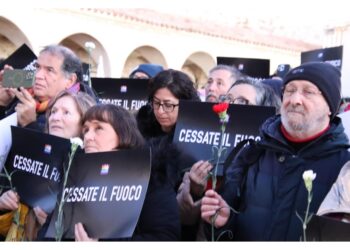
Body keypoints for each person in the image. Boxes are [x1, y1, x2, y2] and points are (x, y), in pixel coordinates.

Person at [200, 62, 350, 241]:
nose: (295, 100)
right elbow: (224, 233)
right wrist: (224, 222)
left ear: (330, 107)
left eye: (308, 92)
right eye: (290, 90)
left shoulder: (345, 170)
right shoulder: (251, 154)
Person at [39, 104, 181, 241]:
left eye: (98, 128)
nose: (88, 137)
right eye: (86, 130)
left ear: (123, 134)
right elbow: (46, 235)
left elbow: (164, 238)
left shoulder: (151, 178)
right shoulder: (75, 178)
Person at [176, 78, 281, 240]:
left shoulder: (270, 161)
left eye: (242, 101)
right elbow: (183, 217)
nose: (232, 105)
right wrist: (195, 190)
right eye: (228, 99)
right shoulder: (202, 150)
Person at [0, 90, 96, 240]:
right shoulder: (26, 155)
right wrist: (2, 203)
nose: (55, 118)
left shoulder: (89, 174)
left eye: (66, 113)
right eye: (53, 111)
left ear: (84, 124)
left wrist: (51, 231)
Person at [0, 44, 98, 132]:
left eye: (49, 70)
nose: (38, 75)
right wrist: (3, 104)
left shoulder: (84, 113)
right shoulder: (23, 99)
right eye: (37, 67)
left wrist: (30, 124)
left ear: (70, 80)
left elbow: (61, 149)